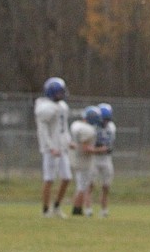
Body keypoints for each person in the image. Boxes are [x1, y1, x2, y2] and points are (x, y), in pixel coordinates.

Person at [34, 77, 72, 218]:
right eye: (58, 93)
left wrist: (68, 141)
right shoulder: (44, 107)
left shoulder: (62, 106)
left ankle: (56, 207)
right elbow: (42, 131)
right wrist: (50, 147)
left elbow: (63, 128)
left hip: (62, 147)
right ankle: (45, 210)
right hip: (51, 149)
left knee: (67, 177)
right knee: (49, 179)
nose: (61, 95)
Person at [68, 105, 103, 217]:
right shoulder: (88, 130)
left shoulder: (76, 125)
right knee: (82, 187)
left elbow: (73, 144)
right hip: (83, 160)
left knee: (80, 185)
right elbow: (86, 148)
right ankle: (76, 210)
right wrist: (100, 150)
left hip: (75, 158)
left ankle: (77, 208)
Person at [92, 102, 117, 218]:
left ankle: (104, 209)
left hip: (106, 158)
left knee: (106, 185)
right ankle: (88, 208)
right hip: (94, 158)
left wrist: (106, 149)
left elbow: (110, 144)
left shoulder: (111, 127)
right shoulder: (93, 127)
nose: (105, 122)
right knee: (91, 184)